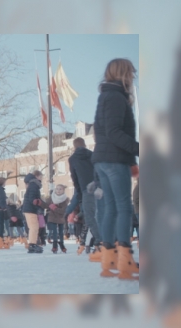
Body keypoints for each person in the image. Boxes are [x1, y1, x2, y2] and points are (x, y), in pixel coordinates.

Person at [92, 58, 139, 280]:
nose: (133, 78)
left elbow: (101, 131)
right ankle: (125, 261)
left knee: (110, 207)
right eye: (131, 73)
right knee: (124, 207)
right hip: (114, 159)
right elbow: (113, 131)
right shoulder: (116, 97)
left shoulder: (105, 96)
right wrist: (138, 149)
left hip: (103, 159)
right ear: (124, 74)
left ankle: (108, 259)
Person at [69, 137, 103, 259]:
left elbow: (75, 178)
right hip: (99, 187)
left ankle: (101, 243)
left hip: (86, 189)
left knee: (89, 217)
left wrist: (79, 195)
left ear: (74, 146)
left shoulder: (73, 159)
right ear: (84, 144)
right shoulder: (93, 155)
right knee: (101, 215)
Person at [41, 185, 69, 253]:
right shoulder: (51, 197)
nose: (58, 190)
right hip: (52, 216)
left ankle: (62, 244)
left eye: (60, 189)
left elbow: (63, 210)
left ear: (63, 190)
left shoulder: (65, 199)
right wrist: (40, 203)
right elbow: (46, 205)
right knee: (54, 231)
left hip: (60, 217)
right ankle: (54, 245)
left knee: (61, 232)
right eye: (57, 189)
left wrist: (55, 208)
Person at [22, 170, 45, 254]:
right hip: (30, 208)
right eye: (41, 177)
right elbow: (31, 196)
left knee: (34, 226)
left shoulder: (32, 184)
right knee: (33, 227)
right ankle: (32, 244)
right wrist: (36, 201)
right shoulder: (33, 184)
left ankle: (33, 243)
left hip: (31, 208)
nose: (41, 179)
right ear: (37, 176)